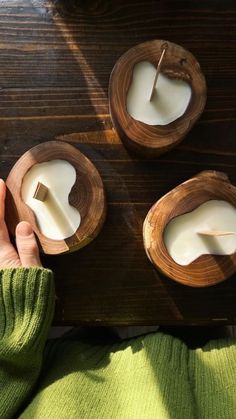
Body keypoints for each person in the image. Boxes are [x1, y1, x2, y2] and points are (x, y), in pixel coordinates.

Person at [0, 179, 235, 419]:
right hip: (216, 376)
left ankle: (95, 333)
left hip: (72, 375)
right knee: (201, 323)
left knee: (89, 337)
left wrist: (16, 323)